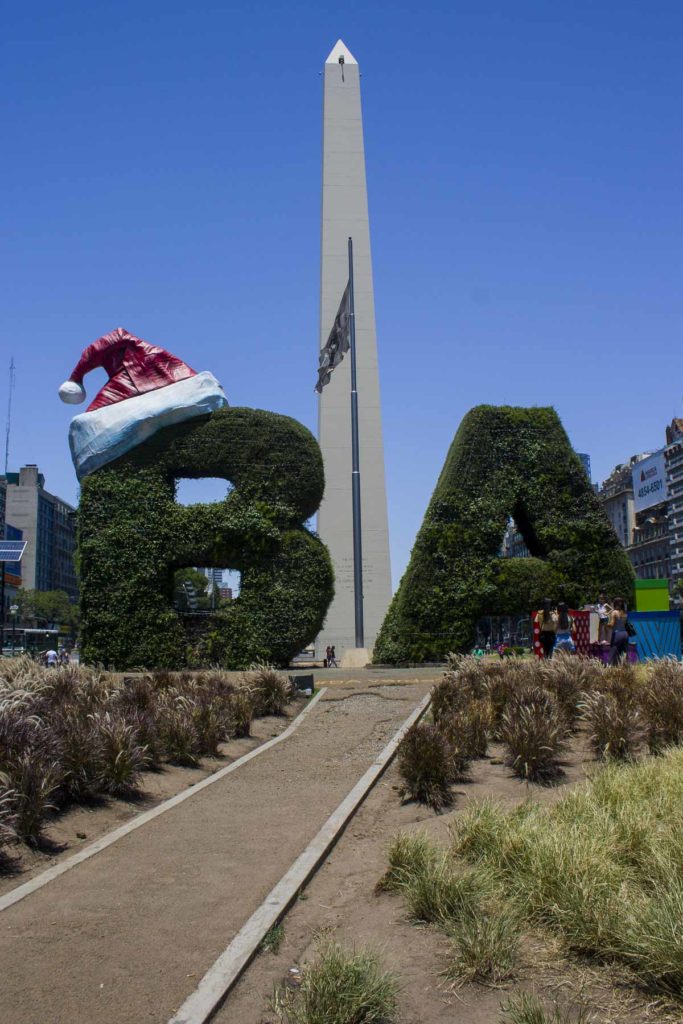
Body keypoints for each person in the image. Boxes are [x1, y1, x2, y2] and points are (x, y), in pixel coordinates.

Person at [608, 598, 630, 665]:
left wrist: (607, 625)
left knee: (613, 653)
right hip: (625, 634)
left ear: (614, 604)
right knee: (624, 653)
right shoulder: (624, 613)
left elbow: (612, 624)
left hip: (617, 634)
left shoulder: (614, 612)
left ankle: (611, 668)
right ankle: (625, 667)